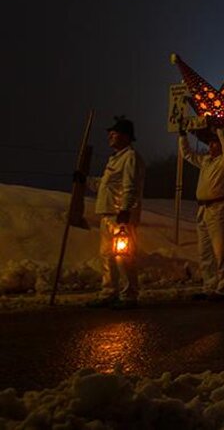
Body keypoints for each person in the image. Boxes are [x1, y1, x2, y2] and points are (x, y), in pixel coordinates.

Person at [83, 116, 146, 309]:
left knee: (123, 255)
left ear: (126, 136)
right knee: (107, 255)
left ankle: (129, 295)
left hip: (120, 216)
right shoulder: (115, 159)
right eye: (110, 133)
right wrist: (84, 180)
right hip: (108, 214)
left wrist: (125, 210)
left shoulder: (130, 158)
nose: (110, 136)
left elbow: (130, 186)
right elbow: (105, 185)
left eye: (115, 133)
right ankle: (108, 292)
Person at [180, 117, 224, 301]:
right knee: (205, 251)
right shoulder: (206, 161)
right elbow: (188, 154)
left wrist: (221, 130)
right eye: (210, 143)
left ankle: (223, 289)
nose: (212, 146)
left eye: (215, 143)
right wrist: (182, 135)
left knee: (221, 251)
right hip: (203, 209)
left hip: (220, 207)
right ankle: (209, 286)